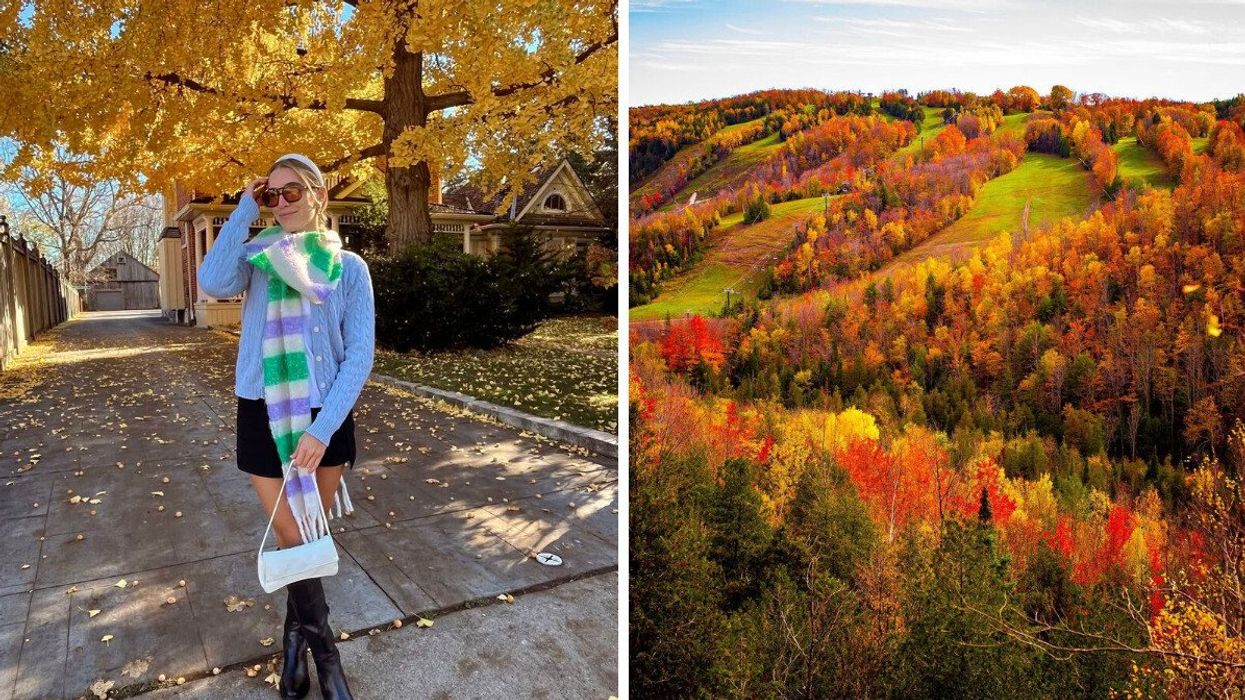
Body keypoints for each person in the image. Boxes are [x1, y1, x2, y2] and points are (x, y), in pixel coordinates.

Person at [198, 153, 374, 699]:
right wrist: (243, 207)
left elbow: (360, 353)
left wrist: (322, 431)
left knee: (310, 536)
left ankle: (295, 647)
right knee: (292, 534)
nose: (282, 203)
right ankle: (330, 663)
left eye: (292, 191)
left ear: (318, 195)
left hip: (326, 416)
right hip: (261, 408)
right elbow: (210, 280)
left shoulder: (350, 268)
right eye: (271, 195)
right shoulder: (255, 258)